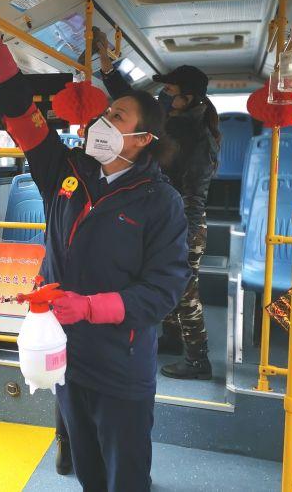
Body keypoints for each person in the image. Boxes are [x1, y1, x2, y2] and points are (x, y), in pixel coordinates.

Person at [0, 0, 190, 492]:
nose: (103, 122)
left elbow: (163, 291)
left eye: (116, 116)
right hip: (64, 353)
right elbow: (22, 115)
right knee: (89, 470)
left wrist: (89, 307)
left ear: (143, 140)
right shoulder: (68, 170)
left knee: (125, 475)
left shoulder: (160, 203)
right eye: (104, 114)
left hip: (120, 363)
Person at [97, 36, 220, 381]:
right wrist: (105, 62)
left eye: (170, 91)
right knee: (160, 280)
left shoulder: (199, 138)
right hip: (164, 215)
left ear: (188, 98)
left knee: (184, 288)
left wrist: (184, 238)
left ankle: (198, 360)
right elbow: (131, 100)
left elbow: (194, 197)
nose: (164, 96)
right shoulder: (170, 117)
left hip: (186, 221)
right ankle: (172, 337)